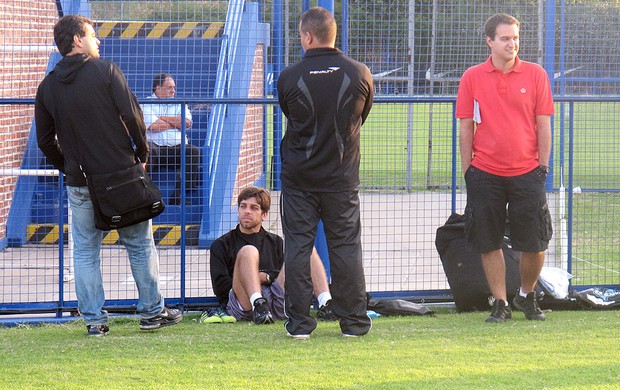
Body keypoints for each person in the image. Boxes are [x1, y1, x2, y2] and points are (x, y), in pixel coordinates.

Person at [35, 15, 182, 336]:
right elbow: (133, 116)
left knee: (86, 251)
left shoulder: (47, 86)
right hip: (121, 176)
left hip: (80, 182)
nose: (97, 41)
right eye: (91, 35)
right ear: (76, 40)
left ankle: (94, 321)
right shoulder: (105, 71)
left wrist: (67, 166)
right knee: (140, 245)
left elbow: (46, 141)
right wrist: (142, 155)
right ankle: (153, 313)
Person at [277, 7, 373, 338]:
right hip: (341, 179)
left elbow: (290, 113)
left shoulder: (289, 76)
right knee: (345, 247)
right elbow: (359, 118)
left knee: (298, 247)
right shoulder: (360, 73)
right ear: (333, 34)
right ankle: (354, 323)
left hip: (299, 179)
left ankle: (300, 324)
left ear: (307, 35)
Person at [456, 13, 554, 323]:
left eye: (515, 38)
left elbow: (544, 125)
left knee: (536, 242)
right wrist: (468, 170)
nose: (512, 44)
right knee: (488, 240)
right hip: (485, 172)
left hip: (528, 172)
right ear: (489, 41)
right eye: (505, 38)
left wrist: (543, 167)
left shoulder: (536, 75)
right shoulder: (472, 77)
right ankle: (500, 303)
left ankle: (526, 295)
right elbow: (465, 127)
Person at [207, 186, 336, 326]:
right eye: (243, 206)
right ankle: (258, 304)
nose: (247, 211)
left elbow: (287, 274)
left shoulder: (275, 242)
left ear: (264, 215)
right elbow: (221, 288)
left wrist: (267, 277)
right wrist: (252, 279)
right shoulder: (221, 244)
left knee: (306, 249)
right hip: (244, 303)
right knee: (248, 251)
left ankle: (326, 304)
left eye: (254, 208)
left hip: (276, 300)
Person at [142, 73, 201, 206]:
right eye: (169, 87)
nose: (173, 91)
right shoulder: (146, 104)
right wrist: (175, 123)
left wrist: (162, 117)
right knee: (146, 151)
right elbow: (152, 126)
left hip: (177, 149)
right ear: (157, 88)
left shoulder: (179, 104)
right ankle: (148, 197)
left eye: (174, 88)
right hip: (156, 149)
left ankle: (179, 195)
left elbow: (186, 123)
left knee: (193, 152)